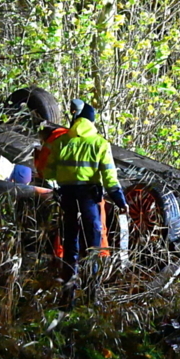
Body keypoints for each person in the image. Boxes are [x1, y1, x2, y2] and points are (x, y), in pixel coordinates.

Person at [45, 100, 128, 282]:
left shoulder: (61, 142)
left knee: (70, 236)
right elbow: (109, 178)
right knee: (93, 236)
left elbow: (48, 172)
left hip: (66, 194)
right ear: (92, 121)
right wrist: (120, 200)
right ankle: (92, 282)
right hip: (89, 196)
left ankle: (69, 280)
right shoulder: (100, 144)